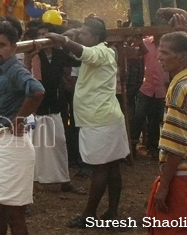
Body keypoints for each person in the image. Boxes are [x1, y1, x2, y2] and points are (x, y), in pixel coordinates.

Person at [45, 17, 130, 227]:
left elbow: (84, 52)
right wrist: (71, 37)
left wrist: (64, 41)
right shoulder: (104, 51)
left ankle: (89, 215)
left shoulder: (101, 51)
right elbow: (80, 52)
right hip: (104, 118)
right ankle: (111, 212)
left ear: (95, 36)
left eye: (84, 33)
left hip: (99, 120)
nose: (80, 35)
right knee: (111, 167)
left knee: (102, 168)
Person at [0, 22, 45, 235]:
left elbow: (37, 91)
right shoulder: (5, 70)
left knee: (11, 212)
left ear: (13, 47)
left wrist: (18, 119)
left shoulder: (14, 69)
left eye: (1, 45)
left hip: (10, 145)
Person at [146, 31, 187, 233]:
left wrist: (165, 185)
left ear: (184, 56)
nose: (159, 57)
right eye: (160, 52)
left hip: (185, 177)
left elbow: (176, 145)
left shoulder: (179, 89)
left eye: (166, 53)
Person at [26, 24, 82, 192]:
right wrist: (30, 58)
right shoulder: (33, 55)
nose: (44, 38)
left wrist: (72, 39)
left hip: (55, 104)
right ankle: (30, 182)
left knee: (59, 142)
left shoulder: (60, 54)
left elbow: (77, 60)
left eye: (47, 34)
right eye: (40, 34)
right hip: (35, 105)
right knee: (33, 145)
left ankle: (64, 179)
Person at [131, 32, 169, 158]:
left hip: (162, 88)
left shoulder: (169, 44)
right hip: (146, 86)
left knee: (157, 119)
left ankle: (153, 148)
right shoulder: (146, 42)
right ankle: (132, 146)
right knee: (138, 117)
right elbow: (136, 52)